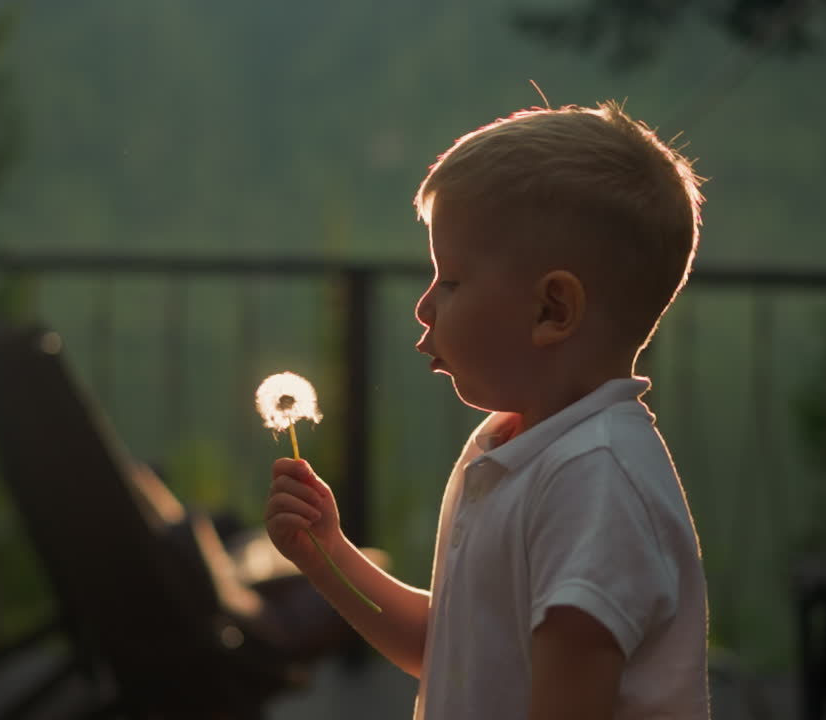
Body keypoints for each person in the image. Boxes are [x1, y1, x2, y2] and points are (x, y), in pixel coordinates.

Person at [265, 100, 708, 719]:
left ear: (553, 310)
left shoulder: (595, 482)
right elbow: (446, 649)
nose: (424, 307)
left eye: (449, 281)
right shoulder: (512, 448)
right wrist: (330, 557)